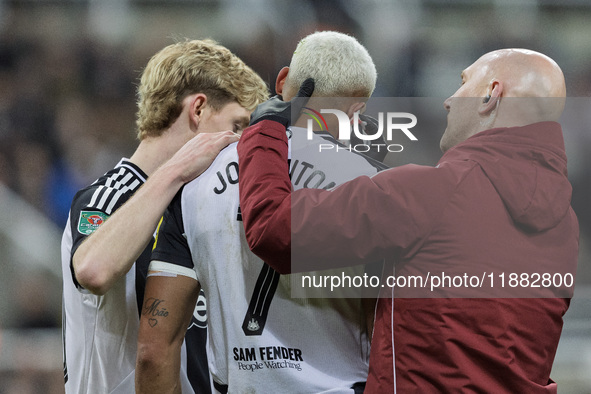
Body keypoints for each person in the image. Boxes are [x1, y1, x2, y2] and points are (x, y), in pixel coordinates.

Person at [237, 48, 579, 393]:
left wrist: (265, 132)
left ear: (490, 94)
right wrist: (368, 174)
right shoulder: (565, 225)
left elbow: (276, 230)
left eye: (462, 83)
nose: (448, 100)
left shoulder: (430, 192)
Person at [136, 31, 387, 393]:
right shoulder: (372, 188)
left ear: (282, 81)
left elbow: (153, 350)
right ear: (357, 113)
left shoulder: (196, 181)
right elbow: (387, 341)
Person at [61, 38, 268, 394]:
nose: (241, 145)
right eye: (237, 126)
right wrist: (177, 170)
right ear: (198, 110)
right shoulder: (111, 193)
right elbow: (93, 269)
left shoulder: (200, 208)